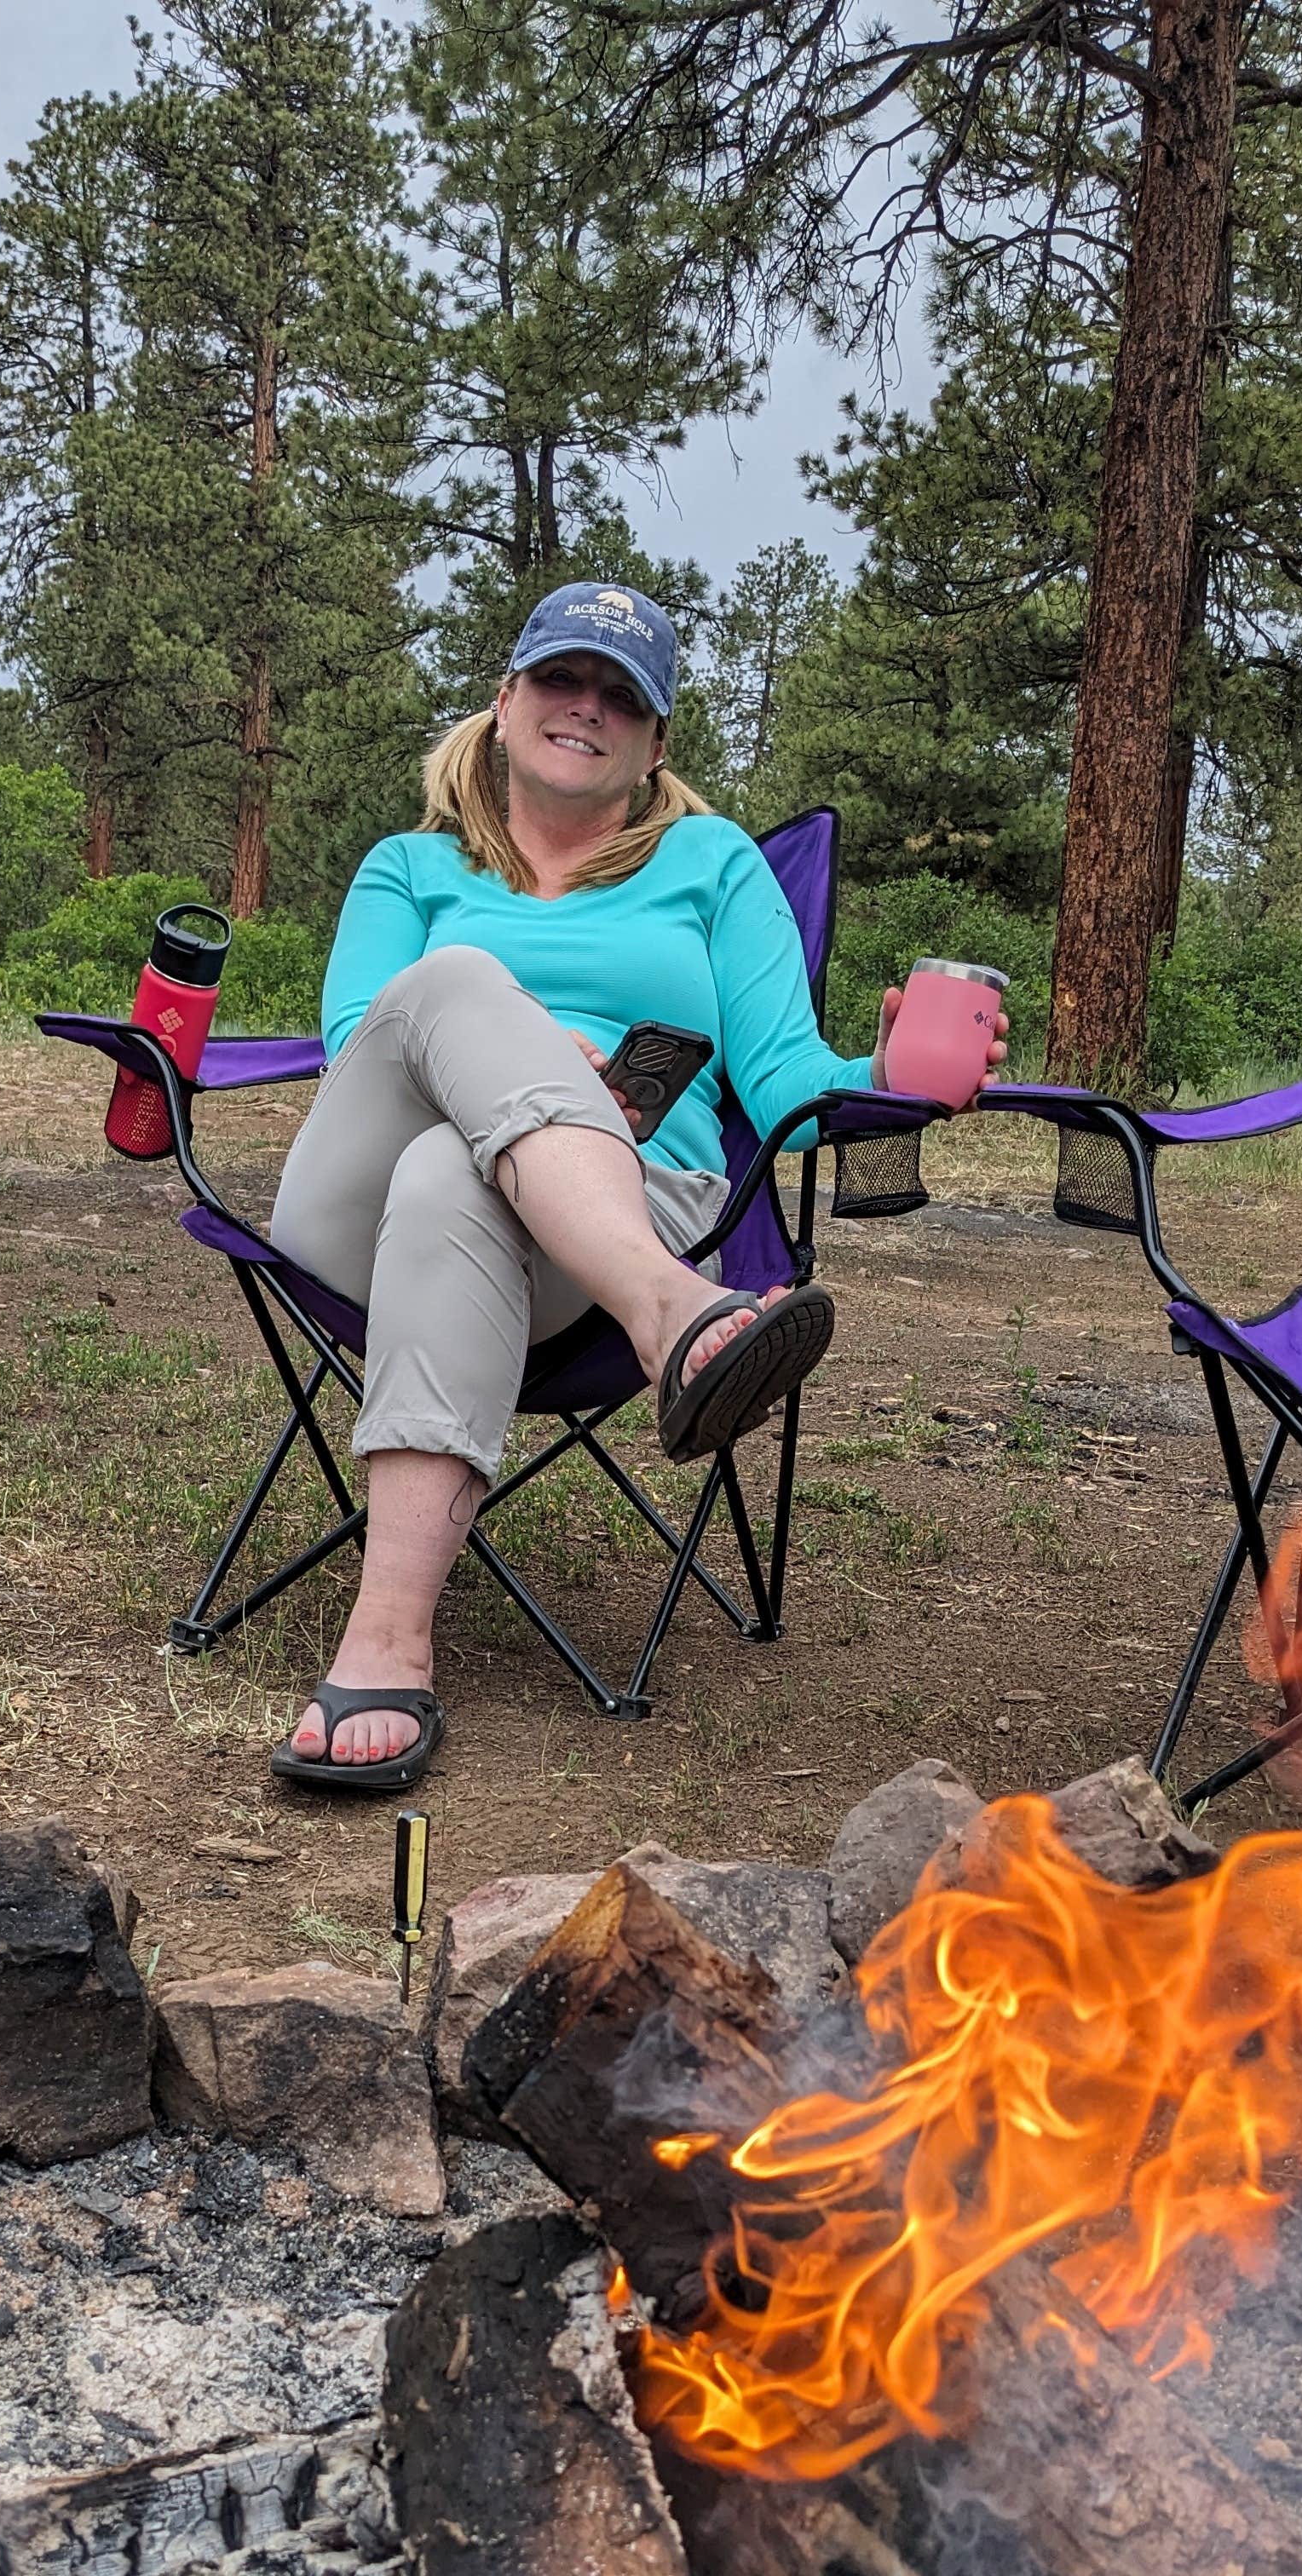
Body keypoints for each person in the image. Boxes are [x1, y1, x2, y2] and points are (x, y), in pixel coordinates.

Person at [268, 578, 1006, 1790]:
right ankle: (672, 1314)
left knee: (460, 1173)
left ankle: (387, 1639)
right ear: (504, 703)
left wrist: (889, 1073)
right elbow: (364, 1049)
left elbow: (786, 1088)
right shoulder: (409, 868)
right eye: (561, 678)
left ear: (656, 743)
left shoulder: (711, 865)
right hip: (365, 1209)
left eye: (621, 696)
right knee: (452, 994)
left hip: (609, 1214)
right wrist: (534, 1055)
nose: (586, 707)